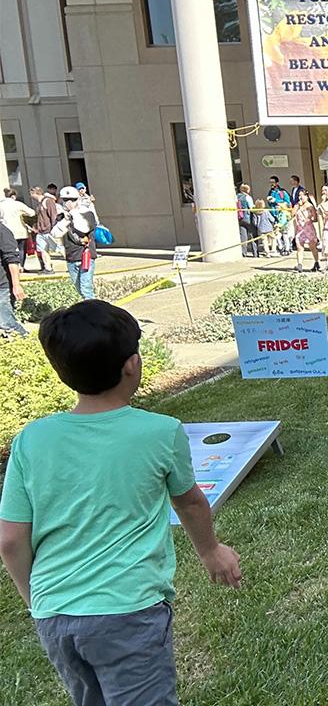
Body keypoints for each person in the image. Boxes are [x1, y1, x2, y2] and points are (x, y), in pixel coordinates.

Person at [0, 300, 242, 706]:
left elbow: (9, 540)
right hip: (129, 610)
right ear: (133, 364)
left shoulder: (31, 439)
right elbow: (190, 502)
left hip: (54, 615)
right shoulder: (160, 432)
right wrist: (211, 551)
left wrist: (38, 602)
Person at [54, 186, 97, 300]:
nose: (69, 203)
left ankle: (94, 315)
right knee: (79, 290)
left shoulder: (87, 213)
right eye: (65, 200)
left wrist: (73, 213)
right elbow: (55, 234)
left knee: (86, 290)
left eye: (73, 200)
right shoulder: (62, 217)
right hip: (71, 257)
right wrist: (65, 219)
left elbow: (84, 229)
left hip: (86, 256)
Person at [0, 222, 26, 336]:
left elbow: (12, 259)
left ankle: (22, 337)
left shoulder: (2, 231)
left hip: (2, 286)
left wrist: (16, 285)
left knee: (7, 323)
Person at [1, 188, 35, 271]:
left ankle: (11, 268)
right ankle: (21, 266)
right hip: (20, 230)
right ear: (13, 196)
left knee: (9, 250)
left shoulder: (1, 204)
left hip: (6, 230)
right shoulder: (18, 204)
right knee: (21, 249)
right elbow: (32, 213)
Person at [28, 186, 58, 273]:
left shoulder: (47, 201)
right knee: (42, 250)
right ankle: (48, 268)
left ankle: (73, 263)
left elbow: (53, 216)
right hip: (41, 231)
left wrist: (54, 228)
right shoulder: (39, 203)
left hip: (49, 230)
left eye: (31, 194)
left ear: (35, 193)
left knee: (58, 249)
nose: (31, 196)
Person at [292, 189, 322, 272]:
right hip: (299, 228)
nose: (301, 197)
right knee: (299, 247)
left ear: (306, 196)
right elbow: (292, 214)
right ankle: (300, 264)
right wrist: (297, 206)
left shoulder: (310, 206)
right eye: (299, 195)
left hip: (308, 228)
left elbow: (315, 218)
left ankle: (317, 262)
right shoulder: (297, 205)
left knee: (312, 247)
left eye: (302, 195)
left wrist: (310, 218)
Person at [236, 183, 258, 258]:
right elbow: (251, 208)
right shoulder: (247, 197)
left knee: (243, 236)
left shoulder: (237, 197)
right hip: (248, 217)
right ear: (247, 190)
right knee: (253, 235)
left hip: (240, 218)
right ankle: (255, 253)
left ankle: (243, 253)